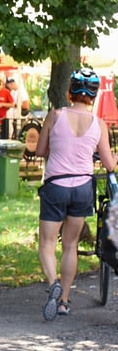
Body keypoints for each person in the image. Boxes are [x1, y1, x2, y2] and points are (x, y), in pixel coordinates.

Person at [34, 67, 116, 320]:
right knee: (70, 245)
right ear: (92, 95)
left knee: (48, 243)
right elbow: (109, 164)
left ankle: (52, 284)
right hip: (82, 189)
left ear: (70, 91)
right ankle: (64, 301)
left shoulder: (55, 115)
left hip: (56, 186)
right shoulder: (99, 124)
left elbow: (39, 151)